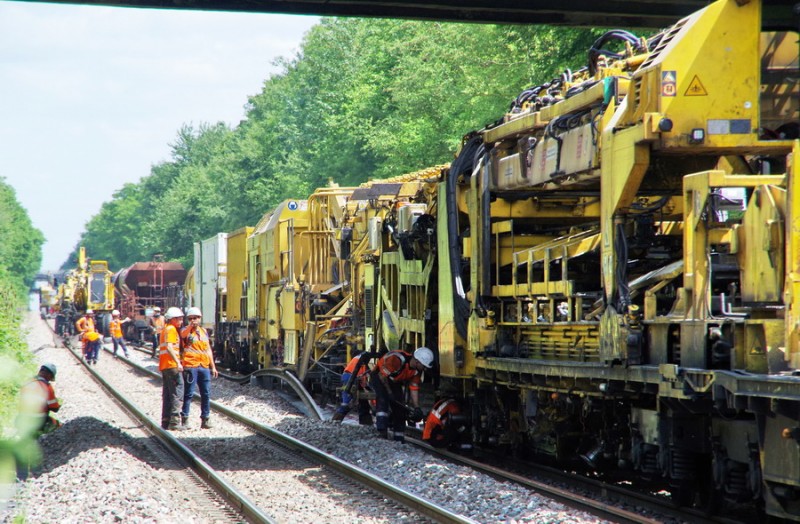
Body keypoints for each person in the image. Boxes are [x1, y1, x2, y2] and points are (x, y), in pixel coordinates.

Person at [368, 346, 434, 442]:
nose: (424, 369)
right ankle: (381, 431)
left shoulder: (416, 371)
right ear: (417, 361)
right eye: (424, 366)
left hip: (394, 381)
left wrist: (416, 407)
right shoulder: (396, 359)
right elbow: (382, 376)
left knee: (399, 406)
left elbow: (414, 388)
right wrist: (390, 393)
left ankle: (398, 437)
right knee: (383, 399)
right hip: (379, 376)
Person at [179, 307, 218, 429]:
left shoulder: (204, 332)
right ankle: (185, 419)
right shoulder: (185, 330)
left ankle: (205, 419)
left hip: (203, 366)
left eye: (195, 318)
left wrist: (213, 366)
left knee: (206, 393)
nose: (193, 320)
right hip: (191, 366)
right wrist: (190, 326)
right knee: (189, 393)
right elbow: (183, 335)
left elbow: (208, 350)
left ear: (200, 318)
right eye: (190, 318)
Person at [17, 363, 62, 437]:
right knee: (57, 425)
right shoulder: (47, 387)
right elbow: (55, 408)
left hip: (22, 418)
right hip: (38, 421)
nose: (50, 380)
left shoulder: (28, 382)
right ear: (49, 375)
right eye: (50, 378)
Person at [159, 307, 185, 430]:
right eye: (179, 319)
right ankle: (175, 421)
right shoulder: (171, 329)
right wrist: (178, 362)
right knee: (177, 392)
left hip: (165, 365)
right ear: (173, 319)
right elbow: (169, 347)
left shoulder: (165, 329)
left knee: (168, 393)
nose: (181, 321)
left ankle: (166, 420)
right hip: (171, 365)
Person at [331, 353, 372, 424]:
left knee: (363, 401)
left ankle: (366, 423)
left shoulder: (361, 357)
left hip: (351, 377)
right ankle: (335, 420)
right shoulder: (364, 358)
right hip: (350, 377)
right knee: (347, 402)